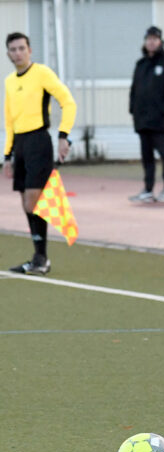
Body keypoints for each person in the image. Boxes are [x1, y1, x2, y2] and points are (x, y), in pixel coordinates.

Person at [3, 32, 76, 275]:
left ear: (30, 50)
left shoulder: (42, 73)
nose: (18, 53)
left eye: (22, 48)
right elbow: (10, 123)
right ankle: (38, 256)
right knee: (26, 203)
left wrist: (64, 135)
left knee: (34, 199)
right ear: (8, 54)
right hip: (21, 146)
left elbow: (68, 102)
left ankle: (41, 258)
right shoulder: (10, 81)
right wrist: (7, 156)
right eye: (13, 49)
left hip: (39, 142)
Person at [129, 26, 164, 203]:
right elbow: (134, 90)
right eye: (148, 39)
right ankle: (148, 190)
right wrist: (133, 110)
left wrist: (161, 109)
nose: (151, 42)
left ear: (160, 41)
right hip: (142, 121)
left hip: (159, 122)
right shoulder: (140, 64)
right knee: (147, 157)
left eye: (154, 39)